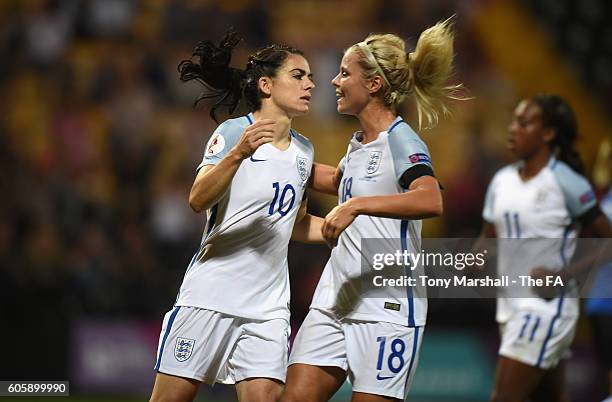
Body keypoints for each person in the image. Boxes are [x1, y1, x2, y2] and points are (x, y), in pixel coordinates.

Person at [282, 17, 465, 402]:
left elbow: (430, 199)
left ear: (374, 84)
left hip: (387, 306)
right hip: (336, 298)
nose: (334, 81)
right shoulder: (359, 145)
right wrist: (275, 151)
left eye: (344, 73)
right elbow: (339, 180)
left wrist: (357, 207)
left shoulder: (401, 139)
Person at [149, 31, 324, 402]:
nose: (310, 83)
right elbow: (197, 199)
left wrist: (344, 228)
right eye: (298, 75)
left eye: (310, 77)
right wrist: (237, 154)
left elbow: (293, 222)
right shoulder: (232, 133)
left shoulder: (305, 151)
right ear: (266, 85)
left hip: (269, 307)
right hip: (211, 295)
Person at [480, 95, 612, 402]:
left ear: (549, 133)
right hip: (510, 308)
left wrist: (564, 274)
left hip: (545, 308)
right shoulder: (501, 181)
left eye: (523, 123)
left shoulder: (565, 182)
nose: (512, 129)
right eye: (513, 121)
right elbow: (486, 238)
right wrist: (474, 258)